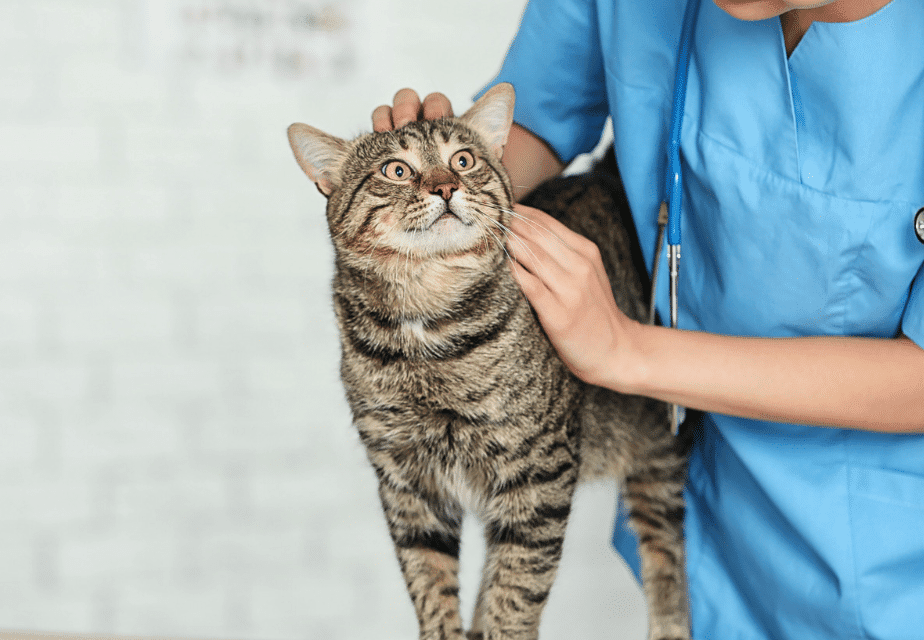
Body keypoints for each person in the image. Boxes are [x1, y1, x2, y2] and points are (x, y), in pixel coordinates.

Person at [372, 0, 924, 638]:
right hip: (702, 511)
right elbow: (537, 122)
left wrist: (625, 352)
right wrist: (440, 182)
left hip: (888, 563)